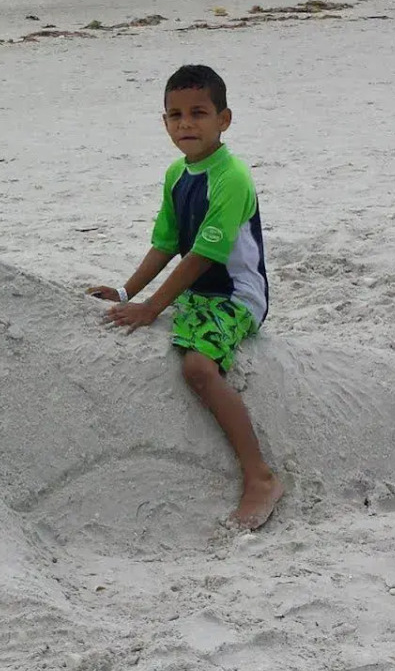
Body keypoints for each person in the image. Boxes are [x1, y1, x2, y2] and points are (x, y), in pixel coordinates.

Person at [88, 64, 283, 530]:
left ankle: (259, 476)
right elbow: (167, 243)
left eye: (198, 113)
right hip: (197, 295)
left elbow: (200, 256)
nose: (186, 124)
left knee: (197, 366)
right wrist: (125, 290)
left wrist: (152, 306)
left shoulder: (231, 177)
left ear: (225, 119)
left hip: (235, 297)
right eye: (175, 115)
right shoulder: (177, 174)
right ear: (164, 123)